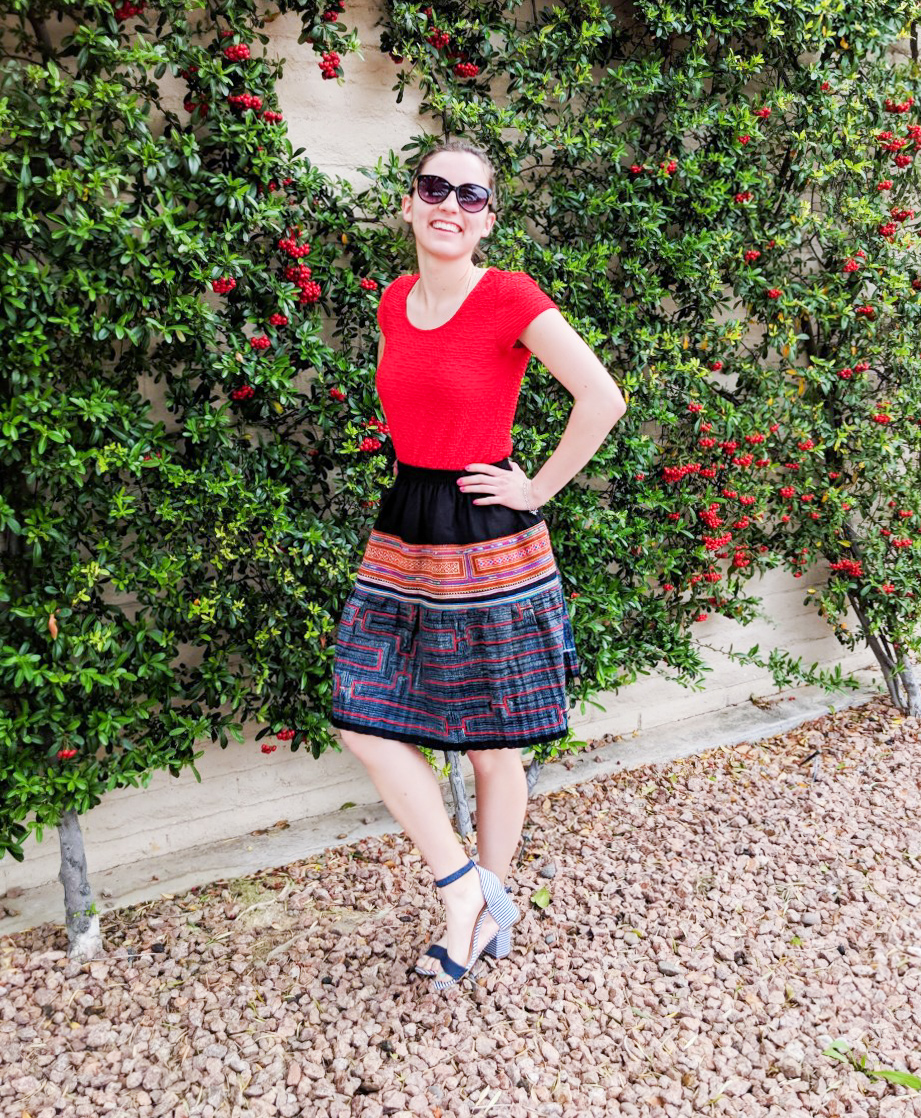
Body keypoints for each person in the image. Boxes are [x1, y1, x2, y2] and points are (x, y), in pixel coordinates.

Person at [330, 139, 626, 990]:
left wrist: (534, 487)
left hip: (485, 531)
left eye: (469, 195)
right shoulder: (394, 301)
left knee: (494, 746)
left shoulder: (508, 297)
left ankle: (479, 914)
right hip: (406, 526)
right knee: (362, 718)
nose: (448, 206)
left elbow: (602, 397)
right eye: (434, 188)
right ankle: (462, 887)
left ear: (488, 218)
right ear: (408, 203)